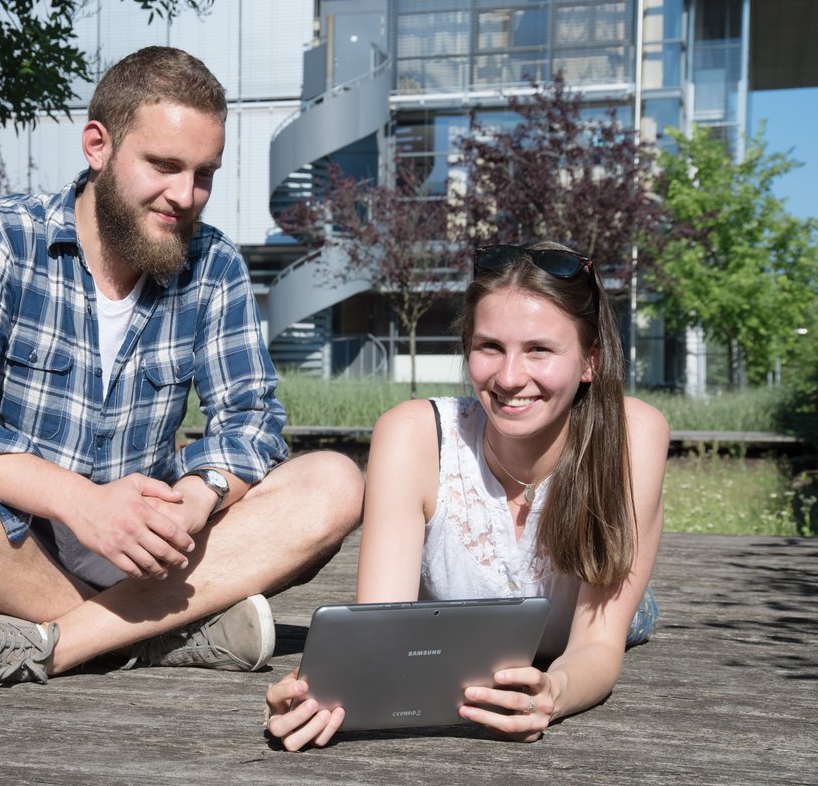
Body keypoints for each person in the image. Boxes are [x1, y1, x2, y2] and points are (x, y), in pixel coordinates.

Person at [0, 46, 363, 691]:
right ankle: (154, 635)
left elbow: (251, 423)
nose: (185, 195)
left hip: (147, 552)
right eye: (164, 166)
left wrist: (194, 503)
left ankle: (52, 645)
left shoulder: (215, 264)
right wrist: (82, 504)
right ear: (98, 146)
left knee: (335, 482)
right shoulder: (2, 235)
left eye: (204, 174)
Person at [265, 240, 669, 748]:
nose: (509, 377)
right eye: (489, 347)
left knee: (632, 613)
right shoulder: (412, 435)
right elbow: (382, 631)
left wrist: (554, 691)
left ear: (590, 361)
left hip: (595, 621)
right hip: (459, 646)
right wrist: (322, 693)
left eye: (539, 349)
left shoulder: (633, 435)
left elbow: (597, 644)